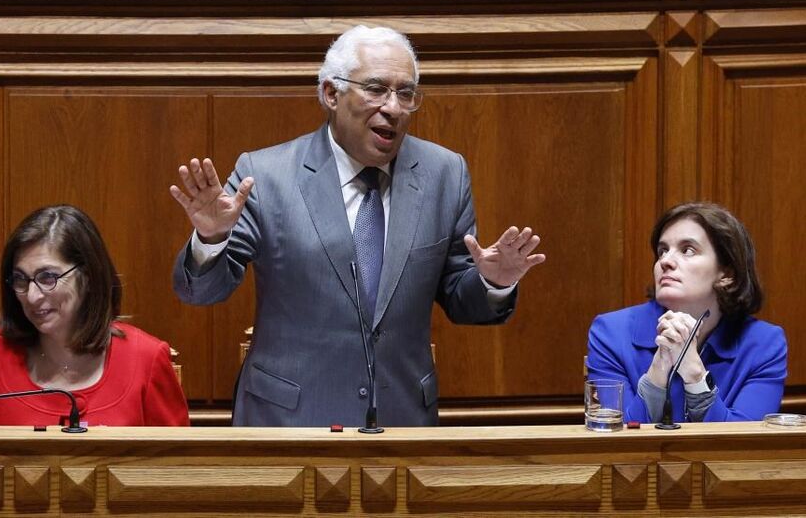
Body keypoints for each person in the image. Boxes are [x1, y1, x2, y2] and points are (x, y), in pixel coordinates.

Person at [171, 25, 546, 427]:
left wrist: (494, 282)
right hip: (288, 424)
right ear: (331, 94)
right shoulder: (265, 174)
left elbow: (462, 300)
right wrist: (212, 237)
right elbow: (202, 292)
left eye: (405, 93)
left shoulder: (444, 173)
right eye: (376, 89)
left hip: (401, 421)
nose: (394, 108)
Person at [0, 205, 189, 426]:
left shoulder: (146, 358)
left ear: (88, 276)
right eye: (20, 279)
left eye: (48, 277)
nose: (32, 296)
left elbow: (179, 460)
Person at [587, 202, 787, 423]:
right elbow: (616, 435)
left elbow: (745, 439)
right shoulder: (610, 333)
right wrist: (657, 372)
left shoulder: (765, 344)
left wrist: (694, 373)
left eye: (688, 250)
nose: (665, 261)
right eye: (663, 251)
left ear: (726, 273)